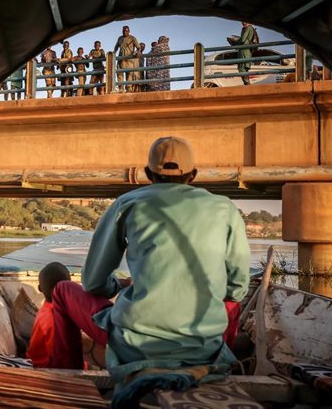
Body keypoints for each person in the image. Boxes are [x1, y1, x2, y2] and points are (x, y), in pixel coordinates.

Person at [50, 136, 250, 386]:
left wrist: (117, 286)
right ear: (194, 175)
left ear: (147, 173)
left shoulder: (127, 203)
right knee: (232, 303)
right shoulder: (225, 209)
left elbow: (92, 283)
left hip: (135, 344)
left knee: (62, 290)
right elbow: (238, 288)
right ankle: (213, 365)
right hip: (202, 347)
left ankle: (65, 380)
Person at [26, 262, 71, 368]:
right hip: (45, 366)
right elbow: (59, 359)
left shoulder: (47, 308)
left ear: (40, 288)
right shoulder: (55, 318)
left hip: (39, 359)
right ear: (70, 286)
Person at [113, 25, 140, 93]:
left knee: (129, 75)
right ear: (122, 31)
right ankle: (121, 89)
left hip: (129, 59)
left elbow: (138, 47)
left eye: (126, 31)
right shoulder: (120, 38)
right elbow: (116, 47)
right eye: (124, 31)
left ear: (129, 31)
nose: (125, 32)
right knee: (119, 74)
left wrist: (138, 52)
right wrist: (113, 54)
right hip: (121, 59)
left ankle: (129, 89)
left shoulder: (132, 38)